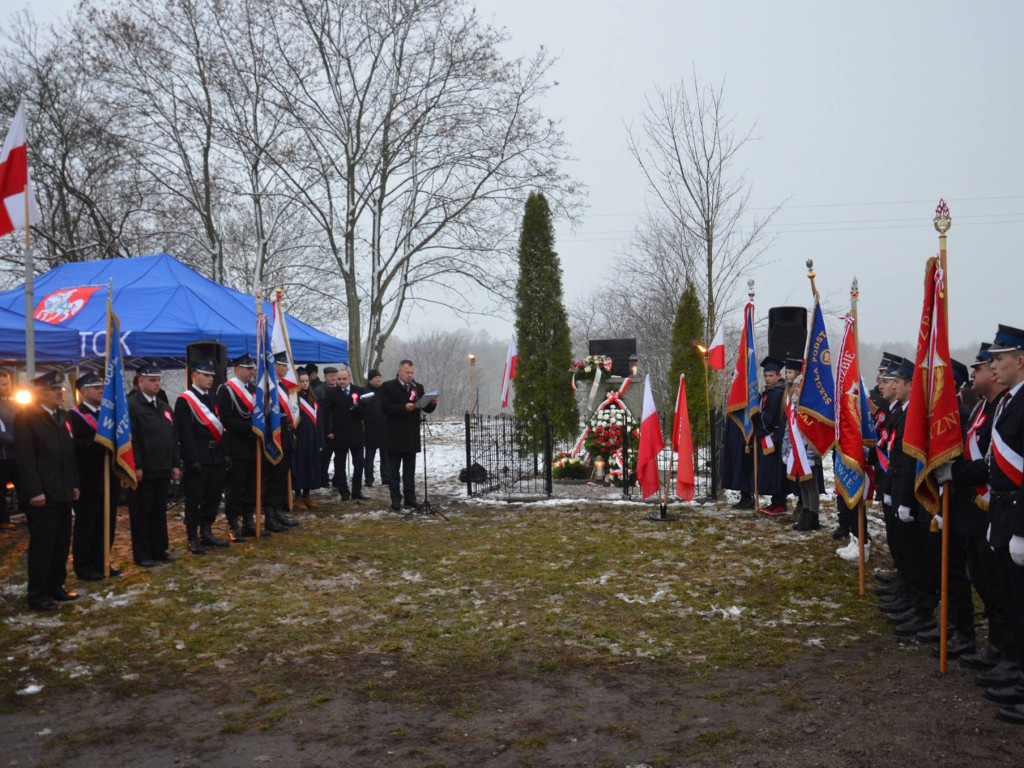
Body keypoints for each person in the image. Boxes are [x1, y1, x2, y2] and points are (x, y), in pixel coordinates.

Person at [977, 325, 1024, 724]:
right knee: (1012, 596)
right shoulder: (1010, 401)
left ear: (1020, 360)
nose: (994, 365)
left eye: (1000, 358)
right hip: (1004, 509)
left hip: (1019, 513)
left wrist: (1021, 529)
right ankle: (1017, 669)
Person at [13, 371, 80, 611]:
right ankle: (38, 593)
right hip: (42, 494)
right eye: (55, 390)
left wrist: (73, 484)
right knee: (43, 545)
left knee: (61, 543)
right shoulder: (28, 418)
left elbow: (68, 455)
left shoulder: (63, 417)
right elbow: (25, 458)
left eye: (61, 389)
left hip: (62, 490)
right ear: (42, 394)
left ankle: (56, 586)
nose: (61, 393)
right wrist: (35, 491)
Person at [66, 372, 121, 581]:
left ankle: (101, 560)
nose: (101, 390)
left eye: (102, 387)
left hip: (110, 477)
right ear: (82, 392)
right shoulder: (74, 416)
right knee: (87, 525)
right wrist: (97, 443)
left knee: (107, 524)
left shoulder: (107, 415)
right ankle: (84, 565)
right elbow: (73, 446)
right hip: (88, 480)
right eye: (96, 387)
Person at [127, 365, 181, 567]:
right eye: (152, 380)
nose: (156, 383)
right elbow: (133, 439)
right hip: (144, 469)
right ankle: (142, 553)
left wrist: (175, 463)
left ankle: (160, 549)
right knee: (142, 512)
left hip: (162, 467)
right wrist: (137, 465)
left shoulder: (163, 406)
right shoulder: (132, 405)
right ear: (140, 381)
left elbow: (172, 436)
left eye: (158, 380)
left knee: (159, 512)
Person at [174, 361, 229, 554]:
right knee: (195, 497)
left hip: (215, 455)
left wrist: (225, 453)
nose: (211, 378)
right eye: (206, 375)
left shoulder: (212, 397)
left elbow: (220, 427)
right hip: (198, 455)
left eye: (212, 376)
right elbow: (185, 432)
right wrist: (191, 459)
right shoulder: (185, 400)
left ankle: (207, 531)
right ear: (194, 376)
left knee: (213, 496)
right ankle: (192, 535)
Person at [380, 360, 437, 511]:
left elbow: (425, 408)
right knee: (394, 471)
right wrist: (403, 408)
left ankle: (410, 498)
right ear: (399, 372)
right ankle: (396, 499)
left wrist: (433, 403)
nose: (410, 375)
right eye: (407, 372)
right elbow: (384, 407)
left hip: (411, 435)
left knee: (409, 470)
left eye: (412, 372)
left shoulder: (417, 387)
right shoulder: (388, 386)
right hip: (394, 434)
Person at [217, 354, 261, 541]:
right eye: (247, 368)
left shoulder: (254, 389)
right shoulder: (226, 390)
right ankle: (233, 523)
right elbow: (225, 418)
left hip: (253, 446)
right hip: (236, 445)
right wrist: (249, 428)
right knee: (235, 487)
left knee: (251, 485)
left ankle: (248, 522)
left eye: (252, 368)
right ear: (237, 369)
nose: (251, 372)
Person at [781, 359, 821, 532]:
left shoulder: (810, 409)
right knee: (802, 485)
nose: (796, 389)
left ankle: (813, 516)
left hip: (808, 454)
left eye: (800, 386)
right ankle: (805, 513)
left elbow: (815, 434)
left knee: (812, 486)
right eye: (795, 387)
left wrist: (812, 455)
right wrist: (786, 452)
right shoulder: (793, 407)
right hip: (796, 453)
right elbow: (787, 432)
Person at [263, 352, 299, 529]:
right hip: (273, 437)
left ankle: (278, 511)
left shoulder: (283, 387)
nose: (286, 369)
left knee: (282, 477)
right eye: (282, 365)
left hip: (285, 435)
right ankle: (270, 516)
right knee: (273, 477)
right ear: (273, 366)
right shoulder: (267, 387)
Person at [322, 368, 366, 500]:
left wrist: (359, 408)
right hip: (339, 434)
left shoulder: (360, 391)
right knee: (339, 464)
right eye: (339, 379)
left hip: (356, 433)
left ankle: (357, 491)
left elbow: (366, 412)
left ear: (349, 379)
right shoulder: (331, 393)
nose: (341, 381)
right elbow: (325, 414)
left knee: (359, 464)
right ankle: (344, 491)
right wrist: (328, 431)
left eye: (344, 379)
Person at [753, 356, 788, 515]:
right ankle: (776, 501)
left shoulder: (776, 393)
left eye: (771, 376)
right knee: (772, 471)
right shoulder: (770, 392)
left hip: (774, 436)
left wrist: (755, 418)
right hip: (771, 436)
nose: (767, 379)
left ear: (778, 376)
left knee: (775, 472)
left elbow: (769, 417)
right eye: (766, 376)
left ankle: (779, 503)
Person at [293, 368, 324, 509]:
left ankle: (307, 494)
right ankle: (298, 495)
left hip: (312, 438)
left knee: (311, 466)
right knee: (300, 467)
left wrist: (320, 439)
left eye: (306, 381)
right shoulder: (293, 399)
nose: (305, 384)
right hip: (300, 438)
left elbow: (319, 420)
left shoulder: (313, 399)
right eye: (302, 381)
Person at [362, 368, 389, 488]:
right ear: (370, 379)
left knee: (386, 456)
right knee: (369, 457)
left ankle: (386, 478)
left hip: (384, 427)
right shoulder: (365, 392)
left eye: (379, 377)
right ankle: (368, 478)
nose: (379, 379)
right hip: (370, 428)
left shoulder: (384, 391)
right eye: (376, 377)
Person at [0, 369, 18, 531]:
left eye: (8, 384)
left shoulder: (13, 404)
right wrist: (16, 441)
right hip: (3, 455)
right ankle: (3, 520)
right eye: (4, 384)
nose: (7, 387)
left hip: (15, 455)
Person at [317, 366, 339, 485]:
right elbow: (320, 414)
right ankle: (323, 479)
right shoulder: (319, 391)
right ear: (325, 377)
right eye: (331, 376)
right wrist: (326, 431)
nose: (333, 378)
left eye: (335, 375)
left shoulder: (341, 389)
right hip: (326, 431)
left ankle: (338, 479)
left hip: (339, 430)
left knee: (339, 458)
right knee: (325, 458)